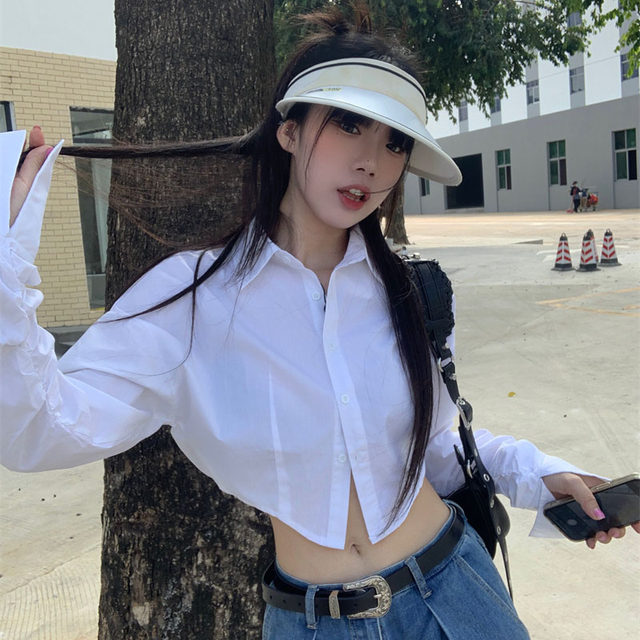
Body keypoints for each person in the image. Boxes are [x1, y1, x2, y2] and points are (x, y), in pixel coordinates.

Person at [2, 8, 637, 640]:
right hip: (314, 623)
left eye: (395, 142)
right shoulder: (191, 300)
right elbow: (38, 431)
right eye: (349, 124)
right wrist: (8, 266)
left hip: (458, 594)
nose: (372, 163)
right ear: (289, 130)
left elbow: (434, 449)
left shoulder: (411, 291)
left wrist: (541, 476)